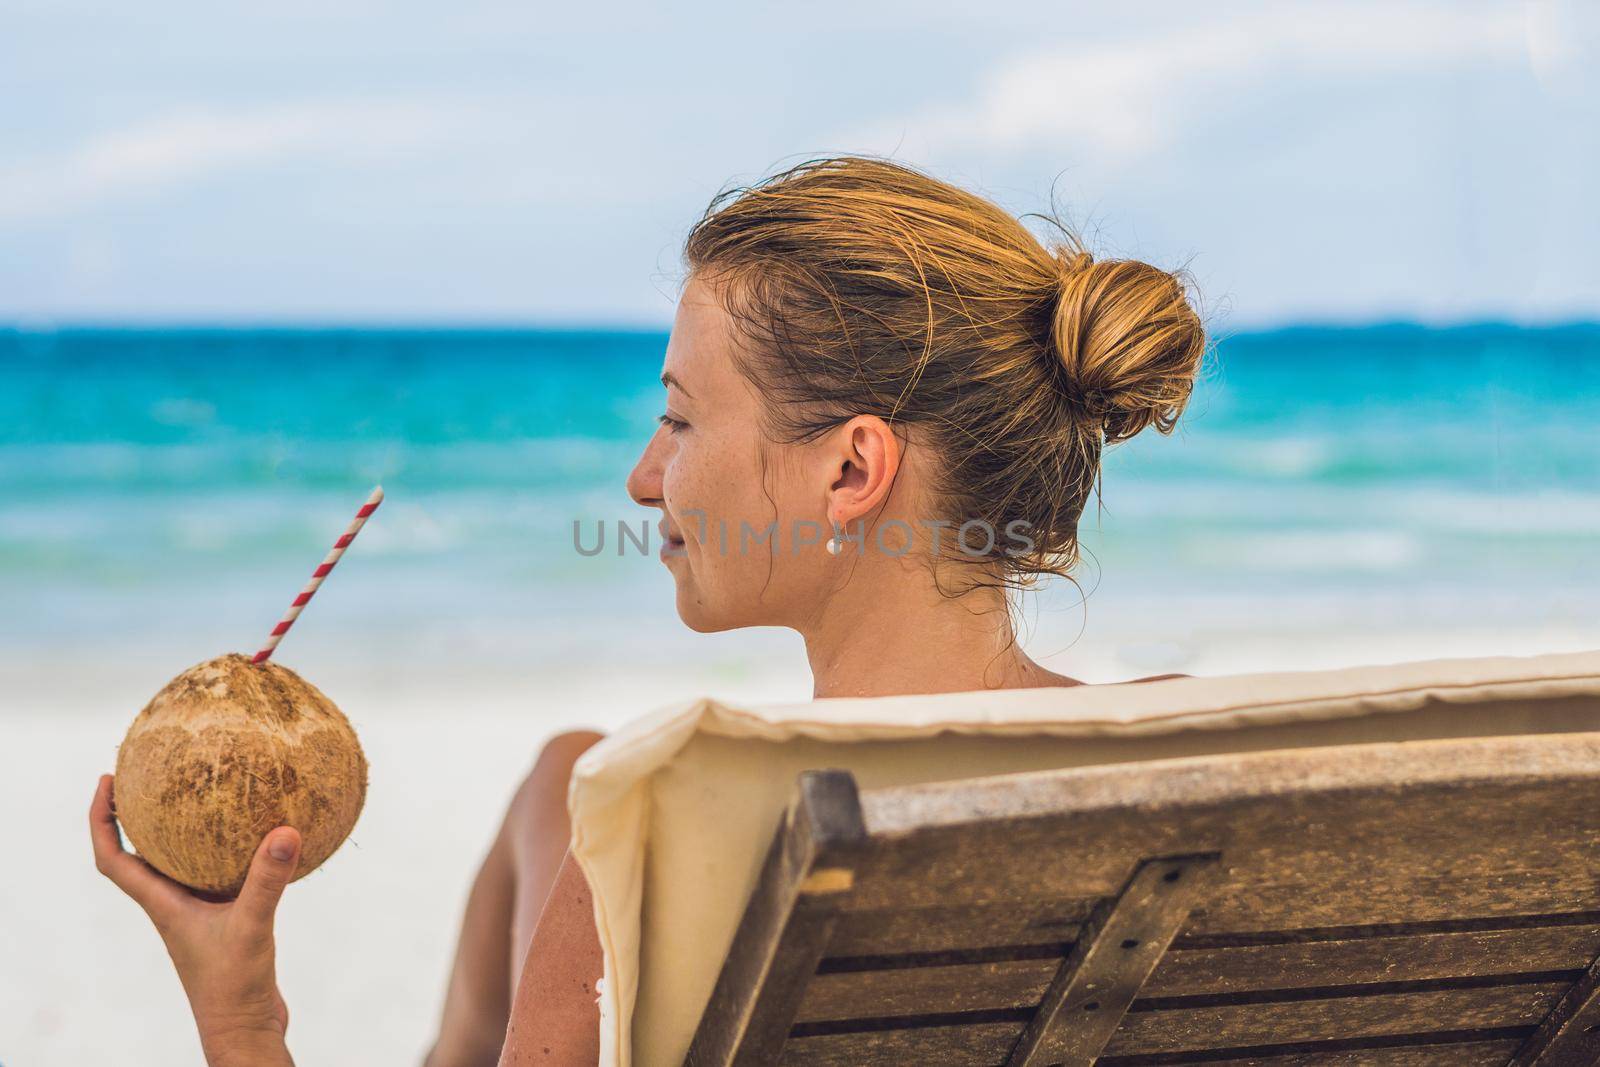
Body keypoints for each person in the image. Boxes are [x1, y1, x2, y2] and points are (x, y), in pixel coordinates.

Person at [89, 155, 1207, 1065]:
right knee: (559, 768)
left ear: (850, 469)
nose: (640, 475)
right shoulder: (1192, 767)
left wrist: (241, 1019)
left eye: (679, 419)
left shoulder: (654, 828)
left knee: (569, 782)